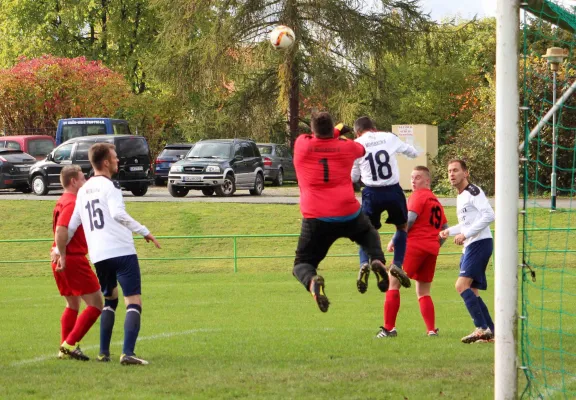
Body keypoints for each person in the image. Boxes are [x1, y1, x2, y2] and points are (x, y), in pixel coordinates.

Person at [63, 143, 161, 364]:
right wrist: (144, 231)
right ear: (105, 162)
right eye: (115, 157)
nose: (118, 160)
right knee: (133, 301)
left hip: (99, 255)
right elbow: (118, 214)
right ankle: (128, 353)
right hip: (122, 251)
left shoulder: (83, 191)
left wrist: (58, 249)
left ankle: (103, 353)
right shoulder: (111, 186)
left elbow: (71, 226)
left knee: (110, 300)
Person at [292, 112, 390, 312]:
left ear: (312, 130)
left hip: (316, 216)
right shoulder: (346, 147)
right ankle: (377, 261)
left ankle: (313, 282)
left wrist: (336, 131)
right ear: (331, 129)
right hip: (347, 212)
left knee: (302, 263)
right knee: (368, 235)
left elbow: (322, 138)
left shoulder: (303, 144)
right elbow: (361, 149)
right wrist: (338, 134)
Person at [376, 166, 448, 338]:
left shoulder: (418, 196)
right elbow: (445, 228)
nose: (413, 181)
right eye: (412, 177)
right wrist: (435, 244)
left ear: (427, 180)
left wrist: (395, 239)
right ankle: (431, 330)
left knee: (392, 282)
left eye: (417, 177)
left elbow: (409, 219)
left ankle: (389, 329)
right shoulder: (435, 200)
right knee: (423, 291)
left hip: (414, 246)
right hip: (431, 249)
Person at [351, 116, 417, 293]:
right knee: (401, 227)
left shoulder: (356, 144)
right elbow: (412, 152)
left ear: (358, 132)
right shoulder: (388, 137)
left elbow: (353, 177)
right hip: (393, 190)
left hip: (371, 192)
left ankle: (364, 263)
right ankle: (397, 264)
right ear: (374, 128)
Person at [439, 160, 495, 344]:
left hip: (479, 243)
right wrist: (451, 231)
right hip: (471, 244)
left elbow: (489, 215)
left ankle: (481, 328)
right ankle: (491, 334)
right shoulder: (461, 196)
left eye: (455, 170)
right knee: (472, 290)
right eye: (449, 171)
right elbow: (468, 222)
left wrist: (466, 234)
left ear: (466, 173)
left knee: (461, 285)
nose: (451, 174)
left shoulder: (473, 192)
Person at [51, 165, 103, 361]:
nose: (84, 182)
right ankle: (68, 346)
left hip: (60, 256)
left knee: (72, 304)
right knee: (97, 303)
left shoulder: (62, 200)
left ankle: (66, 348)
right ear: (73, 181)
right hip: (71, 258)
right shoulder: (73, 202)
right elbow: (61, 230)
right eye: (82, 179)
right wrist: (63, 255)